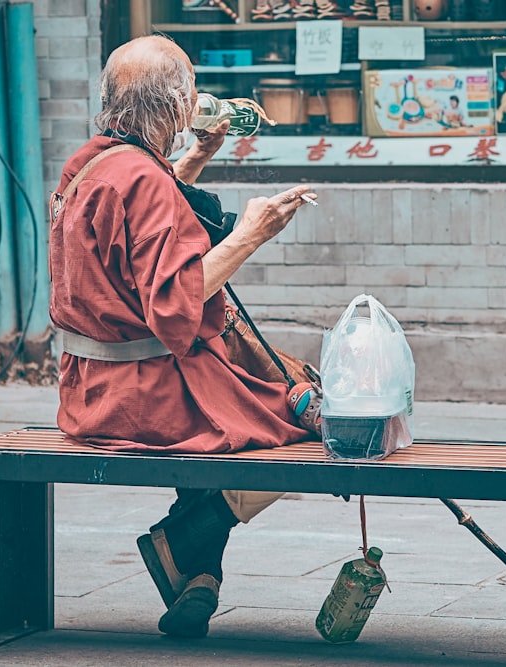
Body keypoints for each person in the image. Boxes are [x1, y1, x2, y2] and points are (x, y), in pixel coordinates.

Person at [48, 34, 322, 639]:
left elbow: (139, 215)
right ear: (176, 104)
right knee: (303, 418)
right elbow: (172, 308)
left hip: (88, 391)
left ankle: (198, 576)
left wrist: (194, 158)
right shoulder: (143, 180)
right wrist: (252, 234)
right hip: (146, 396)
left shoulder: (91, 163)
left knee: (250, 393)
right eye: (190, 92)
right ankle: (187, 537)